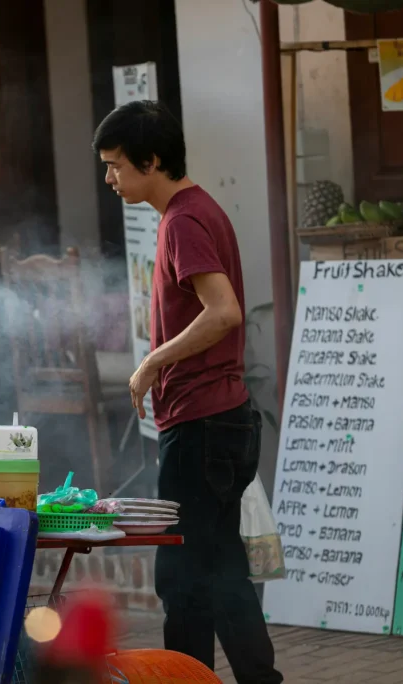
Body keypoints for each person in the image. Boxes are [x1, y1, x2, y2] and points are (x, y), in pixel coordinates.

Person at [93, 101, 283, 684]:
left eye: (116, 165)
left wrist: (153, 361)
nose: (110, 179)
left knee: (185, 577)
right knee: (218, 569)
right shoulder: (196, 210)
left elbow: (223, 312)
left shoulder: (182, 219)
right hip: (219, 419)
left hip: (202, 422)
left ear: (151, 161)